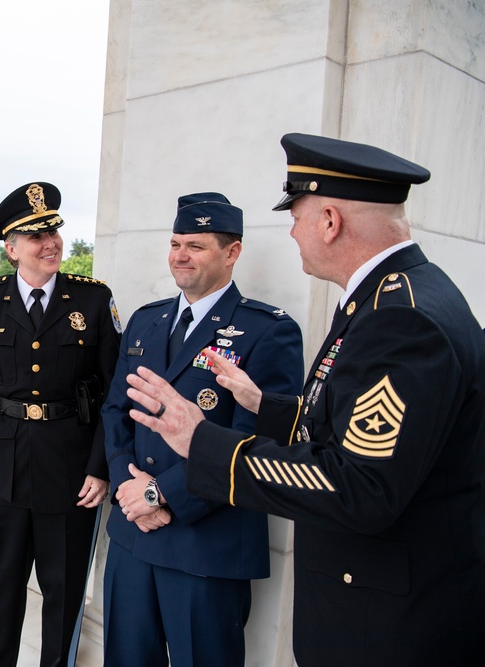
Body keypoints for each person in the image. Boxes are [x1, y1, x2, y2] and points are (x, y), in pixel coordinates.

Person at [124, 133, 485, 666]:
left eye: (296, 216)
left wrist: (201, 440)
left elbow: (358, 484)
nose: (292, 232)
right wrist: (263, 405)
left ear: (331, 221)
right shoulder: (391, 296)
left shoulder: (400, 318)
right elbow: (351, 429)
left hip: (387, 623)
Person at [100, 193, 304, 666]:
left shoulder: (267, 331)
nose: (180, 255)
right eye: (175, 243)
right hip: (133, 536)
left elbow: (260, 443)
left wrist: (160, 494)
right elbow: (115, 410)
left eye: (195, 245)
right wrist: (130, 488)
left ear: (232, 252)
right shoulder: (146, 321)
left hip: (206, 544)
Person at [0, 182, 120, 667]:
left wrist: (100, 466)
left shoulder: (92, 300)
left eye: (54, 232)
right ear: (11, 248)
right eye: (35, 236)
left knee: (63, 586)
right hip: (2, 461)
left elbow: (113, 392)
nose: (50, 243)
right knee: (4, 580)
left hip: (71, 466)